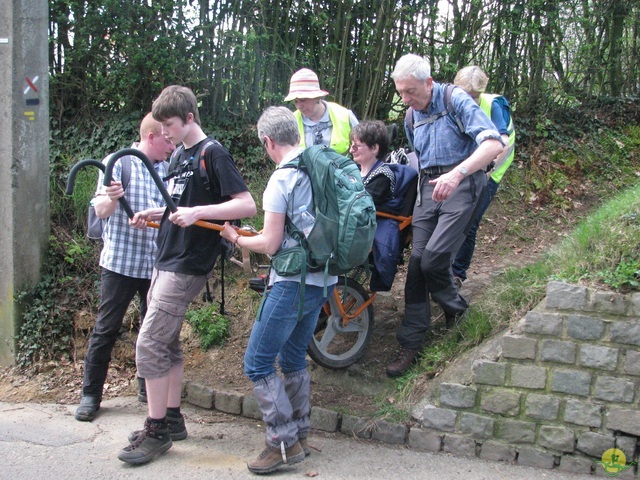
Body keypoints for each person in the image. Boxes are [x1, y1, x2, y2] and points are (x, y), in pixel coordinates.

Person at [117, 85, 257, 465]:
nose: (164, 133)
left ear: (189, 119)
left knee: (149, 343)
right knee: (168, 342)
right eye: (160, 126)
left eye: (170, 125)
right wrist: (154, 212)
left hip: (188, 263)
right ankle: (173, 417)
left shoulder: (212, 153)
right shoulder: (179, 154)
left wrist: (198, 214)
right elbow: (180, 204)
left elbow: (246, 203)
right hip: (166, 255)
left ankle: (157, 428)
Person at [220, 106, 337, 475]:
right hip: (324, 278)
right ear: (296, 134)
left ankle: (281, 441)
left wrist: (237, 236)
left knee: (257, 362)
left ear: (268, 141)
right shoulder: (322, 166)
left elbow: (270, 244)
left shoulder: (282, 178)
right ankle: (299, 433)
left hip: (291, 283)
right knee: (291, 359)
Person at [386, 54, 504, 378]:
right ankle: (411, 343)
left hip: (463, 184)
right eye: (401, 93)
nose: (406, 100)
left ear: (428, 82)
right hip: (429, 189)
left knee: (434, 259)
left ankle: (457, 310)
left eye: (410, 91)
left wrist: (457, 174)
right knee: (416, 265)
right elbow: (418, 157)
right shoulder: (411, 116)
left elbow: (494, 143)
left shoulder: (455, 99)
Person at [75, 113, 174, 422]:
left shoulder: (167, 169)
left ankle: (148, 388)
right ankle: (90, 395)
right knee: (106, 328)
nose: (172, 145)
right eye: (167, 139)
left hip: (154, 265)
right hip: (120, 263)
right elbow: (100, 209)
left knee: (153, 332)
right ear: (151, 137)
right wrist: (113, 199)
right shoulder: (120, 163)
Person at [451, 66, 516, 286]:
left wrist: (487, 171)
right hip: (465, 168)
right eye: (465, 95)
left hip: (490, 172)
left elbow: (503, 143)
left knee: (470, 220)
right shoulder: (453, 101)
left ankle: (457, 273)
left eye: (474, 96)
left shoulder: (494, 104)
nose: (469, 100)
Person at [349, 120, 401, 294]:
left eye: (356, 146)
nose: (351, 150)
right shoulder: (353, 171)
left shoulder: (383, 175)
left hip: (373, 223)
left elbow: (364, 203)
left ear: (374, 148)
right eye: (351, 145)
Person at [284, 68, 359, 155]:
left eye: (303, 100)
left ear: (317, 97)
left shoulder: (345, 116)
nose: (299, 106)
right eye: (295, 101)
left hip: (343, 168)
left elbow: (365, 151)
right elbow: (283, 161)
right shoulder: (291, 122)